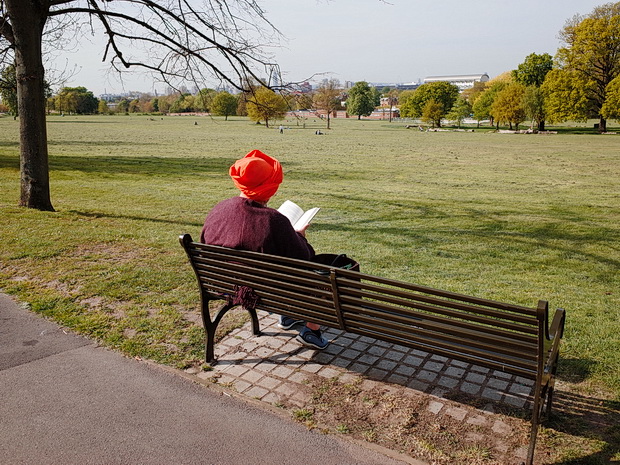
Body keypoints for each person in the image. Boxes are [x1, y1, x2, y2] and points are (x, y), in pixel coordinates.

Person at [200, 149, 329, 350]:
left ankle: (288, 317)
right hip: (270, 293)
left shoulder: (219, 209)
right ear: (271, 187)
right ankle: (311, 329)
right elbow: (305, 258)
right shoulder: (274, 220)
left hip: (225, 285)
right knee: (324, 275)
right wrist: (300, 237)